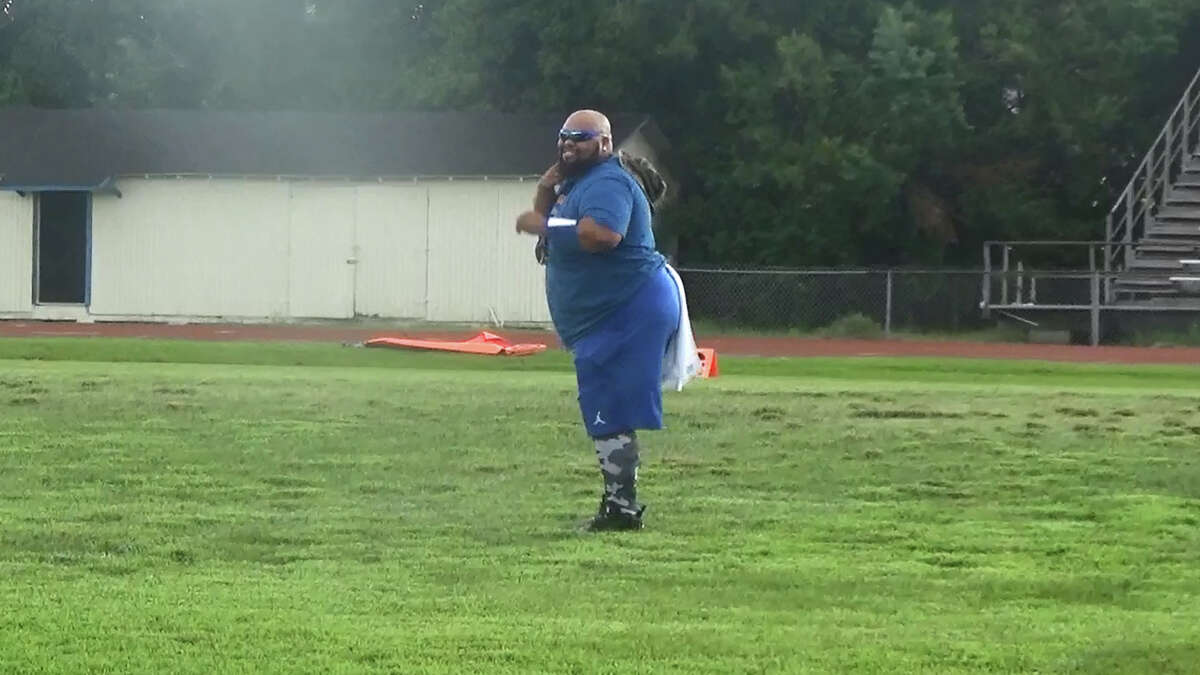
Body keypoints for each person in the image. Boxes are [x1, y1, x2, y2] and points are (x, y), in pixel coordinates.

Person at [515, 110, 681, 531]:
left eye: (581, 137)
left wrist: (547, 223)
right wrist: (545, 190)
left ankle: (621, 508)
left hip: (627, 307)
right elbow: (550, 223)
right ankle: (619, 503)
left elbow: (603, 235)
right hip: (610, 311)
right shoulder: (578, 180)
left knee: (609, 404)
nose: (569, 143)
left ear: (605, 143)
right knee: (605, 403)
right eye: (564, 136)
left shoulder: (607, 181)